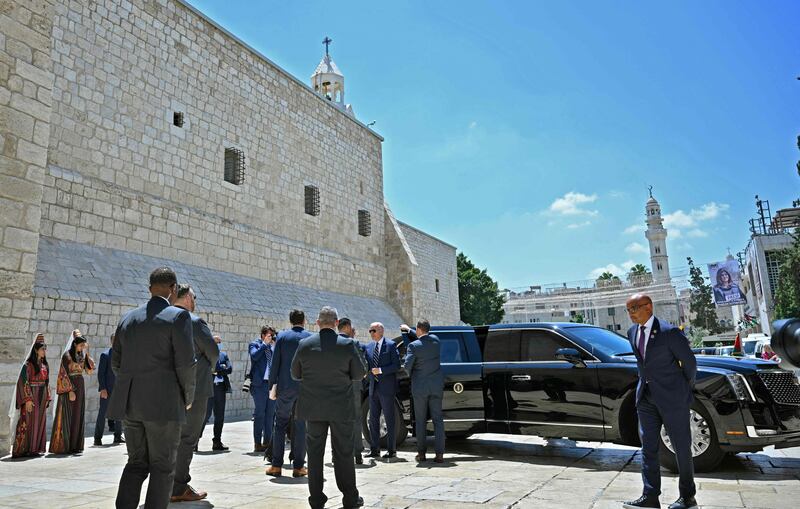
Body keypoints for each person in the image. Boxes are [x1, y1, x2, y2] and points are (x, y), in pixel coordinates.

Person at [108, 267, 196, 509]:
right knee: (163, 465)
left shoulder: (127, 318)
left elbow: (116, 363)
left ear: (149, 290)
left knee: (136, 463)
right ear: (173, 289)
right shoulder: (178, 317)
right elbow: (186, 364)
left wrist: (134, 387)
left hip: (131, 405)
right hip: (164, 406)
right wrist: (187, 396)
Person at [623, 293, 698, 509]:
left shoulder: (669, 332)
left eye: (634, 308)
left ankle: (687, 497)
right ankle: (650, 496)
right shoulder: (631, 332)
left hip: (673, 398)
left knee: (681, 447)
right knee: (648, 448)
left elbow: (690, 364)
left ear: (648, 307)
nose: (631, 313)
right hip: (646, 398)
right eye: (628, 309)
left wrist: (683, 389)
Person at [291, 306, 367, 509]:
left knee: (314, 455)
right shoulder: (347, 344)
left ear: (317, 323)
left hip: (313, 408)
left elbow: (295, 373)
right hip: (341, 408)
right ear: (336, 323)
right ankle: (350, 498)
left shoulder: (304, 345)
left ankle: (316, 500)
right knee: (343, 453)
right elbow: (359, 373)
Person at [170, 284, 220, 503]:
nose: (195, 299)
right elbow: (213, 352)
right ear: (187, 297)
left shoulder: (164, 319)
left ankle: (166, 483)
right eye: (194, 296)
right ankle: (178, 486)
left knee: (169, 439)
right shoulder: (194, 322)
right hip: (195, 388)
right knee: (188, 438)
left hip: (166, 387)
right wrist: (208, 368)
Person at [266, 309, 311, 477]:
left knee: (280, 425)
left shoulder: (283, 337)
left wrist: (272, 386)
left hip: (285, 388)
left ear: (290, 320)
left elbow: (275, 364)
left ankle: (276, 465)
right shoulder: (310, 338)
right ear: (304, 320)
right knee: (301, 426)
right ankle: (299, 466)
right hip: (305, 389)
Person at [402, 319, 445, 463]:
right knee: (438, 420)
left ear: (419, 329)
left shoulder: (413, 346)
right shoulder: (436, 341)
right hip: (436, 387)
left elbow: (407, 367)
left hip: (420, 388)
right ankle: (439, 455)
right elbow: (424, 338)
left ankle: (421, 454)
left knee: (420, 421)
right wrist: (409, 330)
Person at [49, 329, 95, 454]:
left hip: (80, 387)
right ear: (75, 344)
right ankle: (65, 445)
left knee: (77, 414)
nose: (82, 347)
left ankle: (75, 445)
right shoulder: (67, 356)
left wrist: (88, 353)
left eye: (83, 346)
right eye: (81, 345)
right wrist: (70, 390)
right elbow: (62, 374)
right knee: (68, 415)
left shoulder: (81, 356)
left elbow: (90, 371)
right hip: (70, 388)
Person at [9, 333, 50, 457]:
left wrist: (48, 397)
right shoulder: (27, 366)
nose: (44, 351)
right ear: (36, 350)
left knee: (39, 422)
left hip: (41, 398)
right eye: (42, 349)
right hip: (31, 397)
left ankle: (35, 449)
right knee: (27, 422)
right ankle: (22, 449)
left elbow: (47, 382)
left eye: (45, 349)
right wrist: (27, 399)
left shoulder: (44, 366)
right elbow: (22, 382)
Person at [365, 322, 400, 460]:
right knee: (373, 420)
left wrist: (380, 370)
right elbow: (367, 365)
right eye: (370, 331)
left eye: (373, 330)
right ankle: (374, 449)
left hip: (387, 388)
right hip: (373, 388)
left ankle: (392, 450)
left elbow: (396, 365)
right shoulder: (369, 347)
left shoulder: (390, 345)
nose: (371, 333)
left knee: (389, 419)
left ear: (381, 330)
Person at [338, 317, 368, 464]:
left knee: (336, 419)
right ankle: (357, 453)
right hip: (354, 386)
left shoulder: (331, 342)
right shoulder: (354, 343)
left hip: (335, 387)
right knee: (356, 419)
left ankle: (336, 453)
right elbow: (362, 366)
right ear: (348, 327)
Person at [249, 325, 277, 455]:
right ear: (262, 335)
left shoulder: (273, 347)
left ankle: (268, 442)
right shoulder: (255, 344)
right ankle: (257, 443)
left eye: (272, 335)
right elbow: (254, 356)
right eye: (268, 335)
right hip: (259, 385)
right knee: (260, 413)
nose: (270, 338)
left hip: (272, 385)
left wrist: (274, 346)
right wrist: (264, 345)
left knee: (270, 414)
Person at [94, 333, 123, 446]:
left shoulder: (123, 356)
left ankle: (117, 437)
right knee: (102, 414)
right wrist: (103, 389)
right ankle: (97, 438)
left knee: (119, 414)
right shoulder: (105, 355)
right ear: (111, 341)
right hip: (107, 390)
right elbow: (101, 374)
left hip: (119, 390)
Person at [204, 347, 233, 451]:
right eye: (216, 342)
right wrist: (221, 368)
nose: (218, 344)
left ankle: (217, 441)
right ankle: (195, 441)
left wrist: (217, 371)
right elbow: (210, 368)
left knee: (220, 416)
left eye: (219, 342)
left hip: (220, 388)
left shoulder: (223, 355)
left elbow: (229, 369)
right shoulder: (205, 354)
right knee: (204, 416)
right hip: (208, 388)